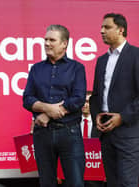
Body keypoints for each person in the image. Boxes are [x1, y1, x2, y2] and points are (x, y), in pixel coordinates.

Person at [23, 24, 87, 187]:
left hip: (69, 133)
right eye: (45, 39)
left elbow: (78, 98)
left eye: (52, 40)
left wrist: (48, 114)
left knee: (75, 183)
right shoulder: (36, 69)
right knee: (46, 183)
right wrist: (47, 108)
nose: (47, 43)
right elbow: (27, 99)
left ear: (64, 43)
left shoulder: (77, 68)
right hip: (42, 134)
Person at [89, 13, 139, 187]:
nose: (102, 31)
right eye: (102, 27)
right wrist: (96, 116)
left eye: (107, 27)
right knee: (112, 183)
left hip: (128, 134)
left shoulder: (135, 55)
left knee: (127, 183)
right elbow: (96, 95)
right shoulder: (102, 60)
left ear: (121, 30)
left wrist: (122, 117)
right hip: (106, 134)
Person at [82, 91, 104, 187]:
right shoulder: (72, 124)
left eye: (88, 102)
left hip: (95, 176)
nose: (85, 105)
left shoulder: (101, 125)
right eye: (83, 101)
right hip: (76, 173)